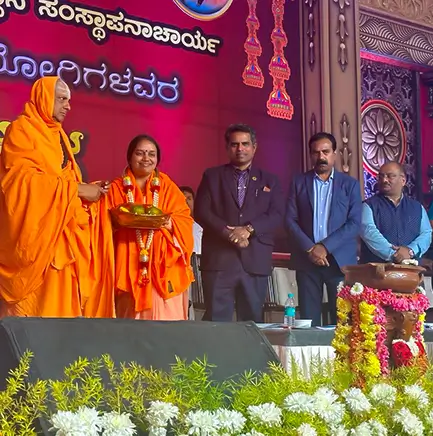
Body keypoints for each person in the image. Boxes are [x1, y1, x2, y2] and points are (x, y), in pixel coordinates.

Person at [0, 76, 114, 317]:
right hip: (37, 240)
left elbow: (65, 178)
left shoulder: (59, 135)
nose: (68, 106)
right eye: (61, 99)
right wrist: (77, 190)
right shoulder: (21, 130)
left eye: (69, 100)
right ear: (44, 98)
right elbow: (18, 184)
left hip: (63, 235)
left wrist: (88, 190)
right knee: (34, 323)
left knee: (61, 317)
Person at [194, 123, 284, 322]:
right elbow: (202, 211)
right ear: (227, 148)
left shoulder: (269, 180)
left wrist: (249, 230)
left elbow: (277, 214)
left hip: (255, 260)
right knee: (216, 321)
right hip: (219, 259)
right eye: (234, 144)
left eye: (245, 144)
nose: (240, 149)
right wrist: (229, 233)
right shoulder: (212, 176)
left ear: (254, 147)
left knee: (251, 322)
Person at [100, 134, 194, 320]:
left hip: (164, 269)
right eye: (140, 153)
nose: (146, 158)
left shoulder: (167, 187)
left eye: (151, 154)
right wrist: (118, 222)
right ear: (129, 157)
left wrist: (167, 222)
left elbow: (184, 220)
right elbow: (101, 225)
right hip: (127, 266)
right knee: (130, 328)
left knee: (166, 327)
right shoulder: (116, 188)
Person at [285, 132, 362, 326]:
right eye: (316, 152)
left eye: (326, 152)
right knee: (309, 320)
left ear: (335, 153)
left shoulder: (350, 185)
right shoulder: (298, 182)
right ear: (310, 155)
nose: (321, 157)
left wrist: (325, 247)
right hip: (307, 260)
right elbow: (290, 220)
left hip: (339, 262)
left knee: (343, 322)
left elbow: (354, 223)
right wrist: (311, 249)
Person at [360, 161, 431, 264]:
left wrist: (410, 251)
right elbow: (369, 233)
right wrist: (395, 255)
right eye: (381, 176)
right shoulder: (367, 206)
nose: (384, 180)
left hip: (411, 271)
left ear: (403, 180)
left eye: (390, 176)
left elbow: (426, 234)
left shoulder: (417, 208)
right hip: (377, 271)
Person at [179, 186, 203, 255]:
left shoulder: (201, 227)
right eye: (182, 198)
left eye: (189, 198)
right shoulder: (170, 226)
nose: (186, 201)